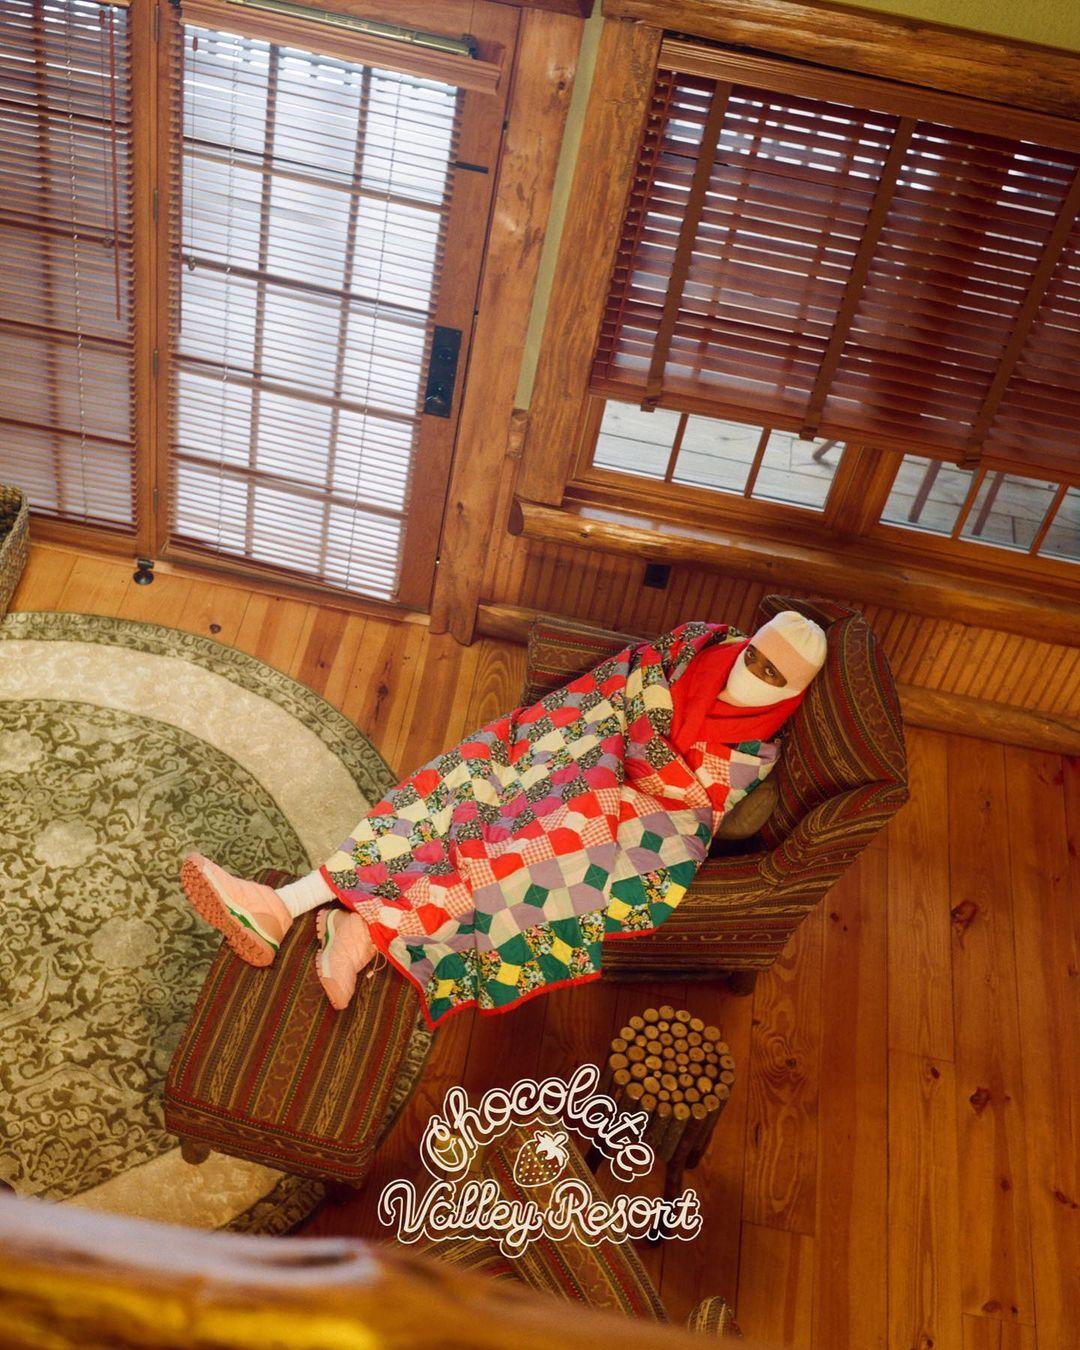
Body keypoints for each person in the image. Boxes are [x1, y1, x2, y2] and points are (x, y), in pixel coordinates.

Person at [180, 612, 827, 1027]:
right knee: (458, 789)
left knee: (519, 862)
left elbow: (687, 804)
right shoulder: (696, 646)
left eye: (773, 675)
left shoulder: (753, 754)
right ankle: (286, 904)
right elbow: (627, 684)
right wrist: (593, 752)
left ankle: (357, 930)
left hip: (623, 813)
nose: (754, 674)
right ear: (749, 642)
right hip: (573, 748)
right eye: (756, 656)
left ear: (792, 691)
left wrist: (613, 784)